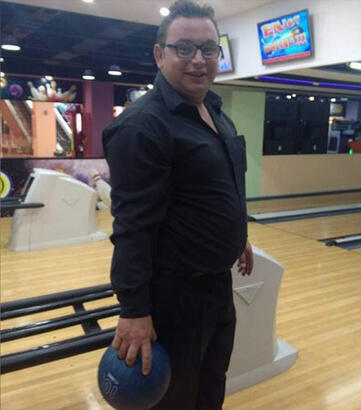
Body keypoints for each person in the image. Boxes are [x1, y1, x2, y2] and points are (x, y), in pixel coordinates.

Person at [101, 1, 253, 408]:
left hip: (217, 286)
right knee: (176, 400)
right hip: (173, 298)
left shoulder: (216, 113)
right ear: (160, 54)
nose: (198, 59)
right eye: (184, 48)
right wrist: (134, 310)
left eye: (208, 48)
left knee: (210, 387)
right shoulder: (142, 126)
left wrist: (238, 235)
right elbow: (132, 225)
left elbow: (219, 186)